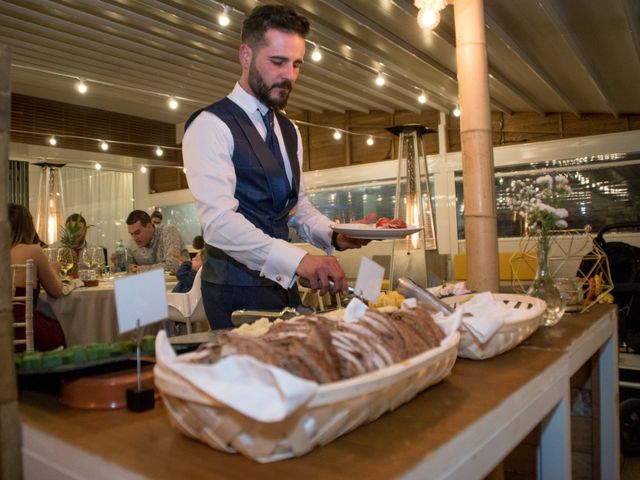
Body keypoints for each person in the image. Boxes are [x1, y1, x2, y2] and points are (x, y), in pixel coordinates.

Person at [182, 5, 371, 329]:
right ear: (245, 55)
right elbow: (219, 224)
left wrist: (335, 234)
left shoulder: (289, 131)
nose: (289, 76)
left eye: (296, 64)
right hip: (232, 293)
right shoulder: (210, 125)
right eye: (278, 62)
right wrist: (299, 259)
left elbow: (297, 207)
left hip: (283, 288)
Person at [9, 203, 66, 352]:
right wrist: (53, 270)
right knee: (59, 328)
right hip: (25, 330)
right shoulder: (33, 250)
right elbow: (56, 291)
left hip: (4, 332)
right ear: (28, 227)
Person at [123, 210, 189, 273]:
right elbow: (128, 270)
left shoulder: (168, 232)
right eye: (131, 234)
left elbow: (173, 266)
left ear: (149, 226)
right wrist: (118, 263)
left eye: (137, 232)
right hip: (152, 282)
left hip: (179, 282)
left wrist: (138, 269)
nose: (134, 238)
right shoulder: (132, 243)